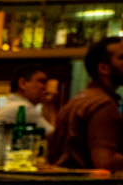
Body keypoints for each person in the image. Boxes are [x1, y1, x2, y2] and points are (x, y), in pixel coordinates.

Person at [49, 37, 123, 171]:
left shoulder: (78, 99)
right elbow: (104, 162)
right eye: (122, 58)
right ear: (104, 68)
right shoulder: (103, 104)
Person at [0, 64, 54, 134]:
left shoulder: (12, 105)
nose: (45, 87)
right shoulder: (22, 108)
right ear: (22, 83)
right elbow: (56, 137)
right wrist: (51, 106)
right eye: (41, 81)